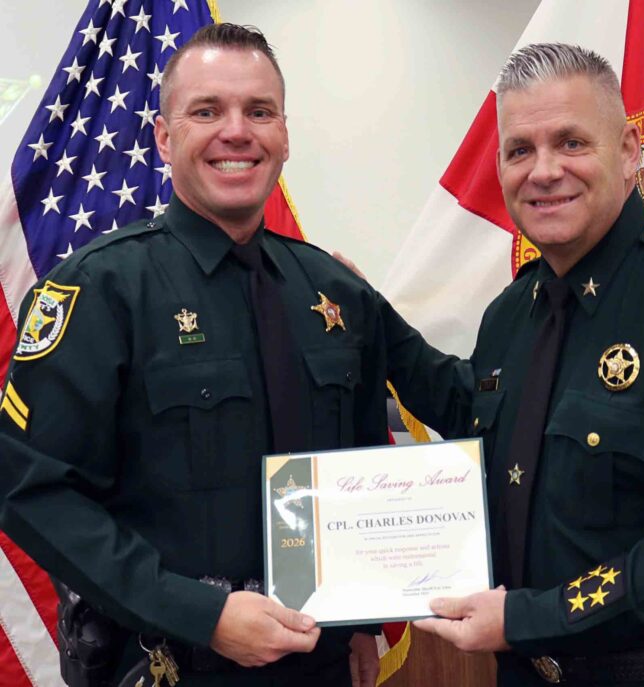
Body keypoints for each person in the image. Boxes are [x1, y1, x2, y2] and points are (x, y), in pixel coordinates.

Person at [0, 24, 385, 687]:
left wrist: (360, 621)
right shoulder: (99, 287)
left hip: (318, 663)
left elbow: (355, 463)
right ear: (164, 137)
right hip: (171, 661)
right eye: (207, 110)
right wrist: (200, 612)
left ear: (284, 134)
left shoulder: (331, 290)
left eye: (259, 111)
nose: (237, 131)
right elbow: (31, 490)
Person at [374, 43, 644, 686]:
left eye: (571, 142)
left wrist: (527, 618)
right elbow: (475, 416)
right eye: (520, 150)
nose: (544, 171)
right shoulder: (513, 311)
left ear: (630, 151)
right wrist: (367, 314)